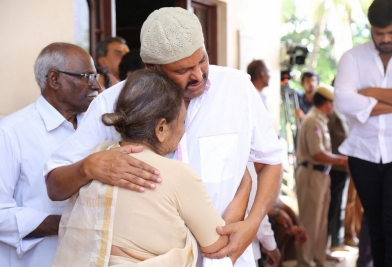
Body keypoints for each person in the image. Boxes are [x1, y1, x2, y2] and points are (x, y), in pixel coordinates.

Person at [45, 7, 283, 266]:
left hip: (229, 258)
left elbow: (271, 161)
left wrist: (253, 222)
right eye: (182, 70)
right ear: (151, 68)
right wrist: (87, 167)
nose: (198, 75)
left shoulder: (237, 89)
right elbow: (55, 185)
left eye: (201, 60)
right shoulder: (112, 102)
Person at [53, 69, 239, 266]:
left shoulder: (99, 157)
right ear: (161, 129)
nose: (185, 130)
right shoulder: (177, 175)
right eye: (182, 121)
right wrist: (243, 188)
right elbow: (217, 245)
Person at [0, 42, 101, 267]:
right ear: (54, 79)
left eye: (96, 75)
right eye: (87, 76)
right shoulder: (11, 132)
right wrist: (67, 223)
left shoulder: (96, 127)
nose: (97, 85)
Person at [334, 0, 392, 265]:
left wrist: (369, 93)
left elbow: (355, 101)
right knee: (375, 227)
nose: (385, 38)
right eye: (379, 32)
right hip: (362, 154)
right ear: (371, 28)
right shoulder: (353, 57)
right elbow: (343, 101)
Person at [295, 85, 348, 267]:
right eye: (332, 103)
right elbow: (317, 154)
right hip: (311, 174)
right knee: (310, 221)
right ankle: (305, 261)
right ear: (327, 103)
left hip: (322, 175)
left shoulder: (321, 120)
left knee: (321, 221)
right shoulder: (313, 121)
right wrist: (342, 160)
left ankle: (318, 257)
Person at [326, 107, 349, 250]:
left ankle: (336, 242)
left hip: (342, 166)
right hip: (335, 166)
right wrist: (340, 160)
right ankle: (328, 245)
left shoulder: (341, 111)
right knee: (331, 208)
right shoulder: (331, 111)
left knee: (339, 206)